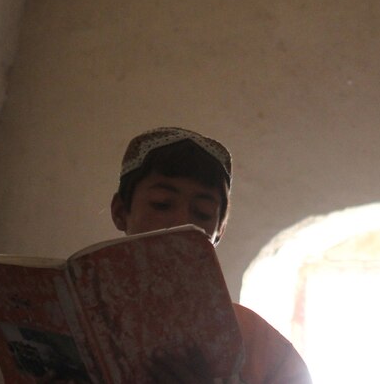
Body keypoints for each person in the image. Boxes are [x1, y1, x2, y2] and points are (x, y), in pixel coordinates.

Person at [110, 126, 313, 384]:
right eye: (162, 203)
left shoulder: (260, 344)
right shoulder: (65, 321)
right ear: (120, 211)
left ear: (219, 231)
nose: (182, 223)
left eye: (203, 212)